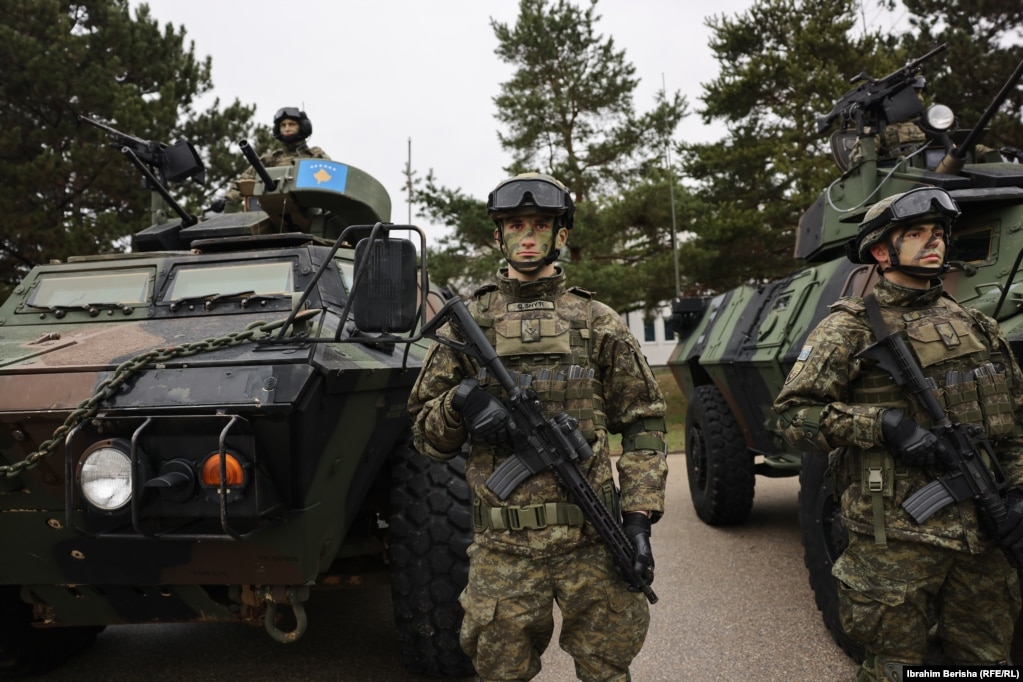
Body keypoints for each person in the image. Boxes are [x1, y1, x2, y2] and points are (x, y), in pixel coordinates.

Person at [407, 172, 668, 682]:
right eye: (515, 225)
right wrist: (463, 401)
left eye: (540, 225)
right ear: (498, 236)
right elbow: (423, 432)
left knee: (608, 670)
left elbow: (644, 424)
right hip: (503, 550)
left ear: (560, 236)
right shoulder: (468, 323)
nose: (527, 236)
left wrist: (637, 521)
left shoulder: (597, 321)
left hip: (593, 541)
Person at [773, 186, 1023, 680]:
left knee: (989, 666)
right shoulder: (848, 330)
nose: (934, 243)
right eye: (916, 234)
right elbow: (791, 418)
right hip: (896, 544)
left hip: (985, 536)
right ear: (882, 251)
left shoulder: (978, 326)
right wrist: (881, 424)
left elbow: (1015, 425)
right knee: (896, 670)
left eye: (937, 234)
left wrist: (1017, 491)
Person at [222, 107, 330, 208]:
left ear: (303, 127)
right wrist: (228, 198)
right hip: (274, 211)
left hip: (312, 208)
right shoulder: (271, 159)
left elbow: (332, 180)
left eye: (291, 124)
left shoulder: (315, 156)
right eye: (283, 125)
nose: (287, 128)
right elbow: (245, 179)